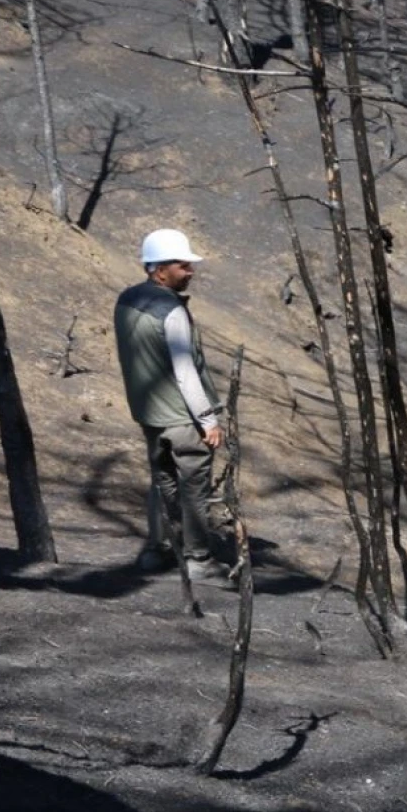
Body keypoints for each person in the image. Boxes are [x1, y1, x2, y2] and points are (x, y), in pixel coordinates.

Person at [114, 229, 231, 585]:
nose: (191, 271)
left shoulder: (126, 300)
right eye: (183, 265)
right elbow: (185, 372)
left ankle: (157, 550)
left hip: (149, 413)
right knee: (194, 486)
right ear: (159, 270)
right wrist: (207, 419)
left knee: (161, 481)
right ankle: (199, 559)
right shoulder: (173, 312)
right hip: (183, 419)